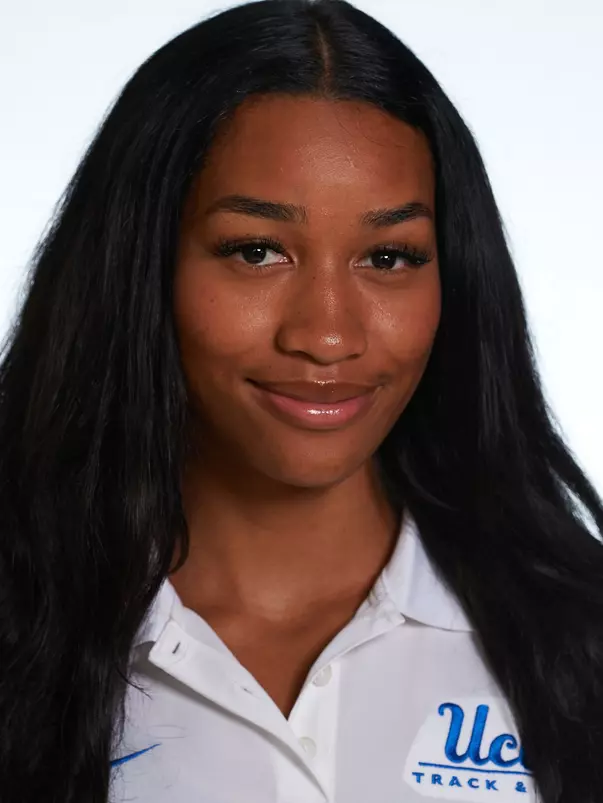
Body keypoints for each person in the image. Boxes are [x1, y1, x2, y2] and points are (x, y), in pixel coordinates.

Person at [1, 0, 602, 801]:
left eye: (387, 256)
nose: (326, 335)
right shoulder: (21, 637)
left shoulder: (579, 640)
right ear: (140, 264)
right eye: (257, 251)